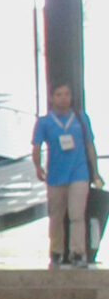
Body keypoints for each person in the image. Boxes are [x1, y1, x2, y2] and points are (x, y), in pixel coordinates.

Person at [32, 83, 96, 268]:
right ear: (52, 98)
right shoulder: (44, 122)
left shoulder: (81, 118)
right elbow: (36, 146)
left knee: (77, 214)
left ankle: (78, 252)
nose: (64, 98)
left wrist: (95, 171)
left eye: (67, 94)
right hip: (56, 174)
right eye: (59, 94)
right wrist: (37, 166)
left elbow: (89, 144)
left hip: (79, 172)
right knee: (56, 215)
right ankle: (57, 251)